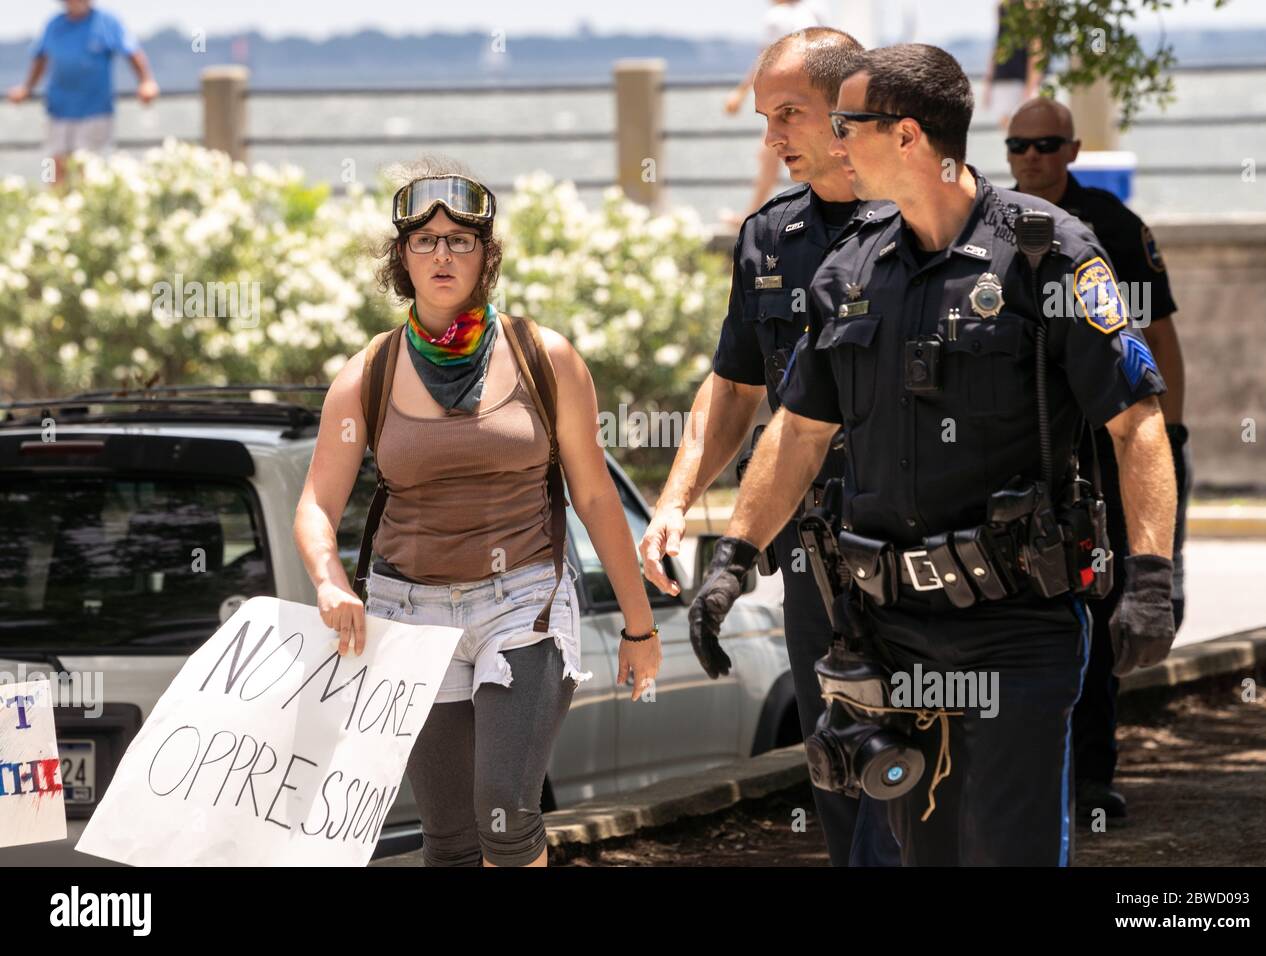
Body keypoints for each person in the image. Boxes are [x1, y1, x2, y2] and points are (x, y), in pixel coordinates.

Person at [688, 43, 1177, 865]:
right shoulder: (851, 267)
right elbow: (799, 430)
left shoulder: (1046, 253)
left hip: (1016, 623)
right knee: (924, 854)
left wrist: (1153, 578)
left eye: (848, 123)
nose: (834, 139)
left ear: (908, 134)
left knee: (1008, 847)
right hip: (889, 626)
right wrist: (733, 558)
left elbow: (1137, 424)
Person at [294, 159, 662, 868]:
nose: (442, 254)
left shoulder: (542, 356)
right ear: (401, 257)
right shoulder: (367, 373)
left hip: (521, 603)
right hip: (408, 612)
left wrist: (639, 626)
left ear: (486, 257)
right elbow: (316, 502)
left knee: (504, 813)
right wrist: (330, 580)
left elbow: (593, 497)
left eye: (461, 240)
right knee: (451, 838)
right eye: (425, 240)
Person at [642, 27, 900, 868]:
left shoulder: (928, 221)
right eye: (765, 117)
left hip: (921, 544)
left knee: (931, 771)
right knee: (837, 768)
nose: (772, 138)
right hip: (812, 555)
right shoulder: (769, 238)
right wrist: (677, 502)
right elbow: (733, 385)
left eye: (788, 113)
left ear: (847, 110)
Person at [1006, 96, 1190, 825]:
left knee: (1101, 608)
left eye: (1047, 144)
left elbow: (1158, 334)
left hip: (1107, 453)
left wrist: (1168, 439)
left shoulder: (1110, 229)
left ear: (1074, 149)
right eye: (1019, 144)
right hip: (1025, 457)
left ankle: (1090, 778)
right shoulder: (989, 226)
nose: (1032, 157)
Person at [7, 1, 159, 186]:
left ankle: (84, 211)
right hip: (58, 110)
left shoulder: (107, 22)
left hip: (95, 112)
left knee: (87, 171)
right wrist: (26, 88)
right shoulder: (54, 24)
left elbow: (133, 52)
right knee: (54, 169)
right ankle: (56, 209)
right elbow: (40, 57)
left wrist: (146, 82)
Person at [724, 0, 825, 222]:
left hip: (786, 100)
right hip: (814, 98)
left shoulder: (777, 16)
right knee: (806, 155)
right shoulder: (812, 12)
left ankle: (750, 216)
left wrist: (740, 94)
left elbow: (765, 60)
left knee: (771, 155)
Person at [982, 0, 1041, 129]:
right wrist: (988, 82)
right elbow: (998, 44)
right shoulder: (1001, 6)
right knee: (1009, 130)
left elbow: (1036, 46)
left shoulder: (1032, 5)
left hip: (1022, 80)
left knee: (1025, 130)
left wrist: (1031, 85)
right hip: (1003, 78)